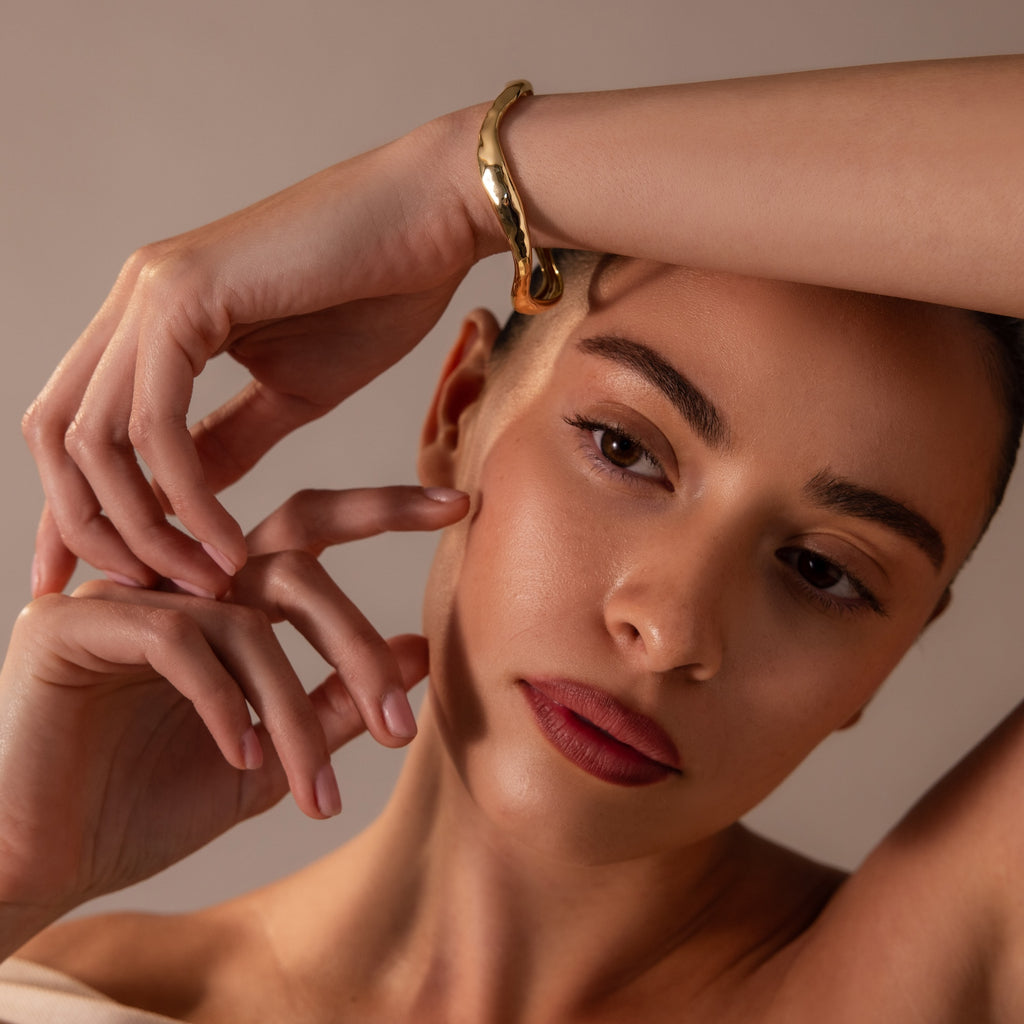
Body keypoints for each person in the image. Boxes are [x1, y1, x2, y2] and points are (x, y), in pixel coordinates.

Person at [0, 55, 1021, 1021]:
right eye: (624, 447)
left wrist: (462, 181)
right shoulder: (53, 977)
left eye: (822, 570)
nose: (668, 626)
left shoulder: (938, 987)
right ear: (458, 411)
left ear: (889, 657)